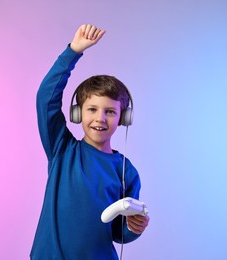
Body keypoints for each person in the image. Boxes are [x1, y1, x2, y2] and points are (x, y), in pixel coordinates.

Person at [31, 24, 150, 259]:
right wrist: (73, 52)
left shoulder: (126, 171)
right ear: (77, 114)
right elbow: (46, 98)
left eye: (110, 112)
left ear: (123, 118)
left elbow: (119, 233)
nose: (100, 118)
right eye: (92, 109)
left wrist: (134, 228)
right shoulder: (62, 149)